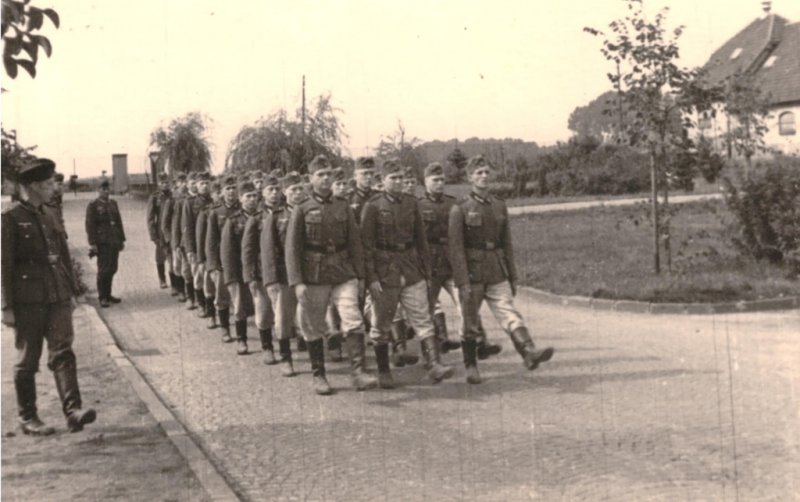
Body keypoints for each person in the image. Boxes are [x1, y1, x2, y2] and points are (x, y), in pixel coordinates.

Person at [2, 158, 96, 435]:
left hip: (57, 295)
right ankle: (28, 416)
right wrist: (5, 306)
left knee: (63, 352)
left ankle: (73, 412)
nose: (52, 188)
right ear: (30, 187)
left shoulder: (49, 214)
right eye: (46, 184)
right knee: (28, 359)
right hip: (27, 300)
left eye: (52, 183)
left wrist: (73, 292)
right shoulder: (11, 218)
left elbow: (63, 255)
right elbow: (3, 264)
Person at [449, 155, 554, 384]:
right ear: (470, 178)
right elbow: (456, 250)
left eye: (487, 172)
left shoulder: (498, 205)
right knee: (469, 321)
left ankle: (528, 351)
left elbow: (506, 243)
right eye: (479, 173)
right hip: (472, 274)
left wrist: (512, 275)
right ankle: (471, 367)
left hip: (496, 270)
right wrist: (462, 282)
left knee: (508, 312)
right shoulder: (460, 208)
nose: (484, 176)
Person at [286, 155, 377, 395]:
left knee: (352, 317)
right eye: (320, 175)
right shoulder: (302, 208)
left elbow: (355, 243)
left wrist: (359, 276)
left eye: (328, 174)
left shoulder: (342, 205)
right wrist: (297, 282)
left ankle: (358, 373)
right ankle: (319, 376)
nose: (326, 179)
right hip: (314, 275)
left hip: (342, 271)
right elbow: (292, 249)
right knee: (314, 326)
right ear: (310, 179)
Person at [361, 159, 454, 388]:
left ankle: (434, 364)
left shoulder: (412, 204)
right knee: (381, 324)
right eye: (393, 177)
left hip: (411, 269)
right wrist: (371, 278)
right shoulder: (372, 206)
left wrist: (427, 269)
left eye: (401, 177)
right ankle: (384, 371)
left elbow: (421, 240)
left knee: (422, 318)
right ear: (382, 181)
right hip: (385, 272)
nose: (399, 181)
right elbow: (366, 247)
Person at [257, 171, 306, 376]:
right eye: (293, 189)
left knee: (308, 318)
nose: (297, 193)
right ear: (286, 192)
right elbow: (268, 252)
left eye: (300, 188)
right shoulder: (276, 217)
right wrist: (271, 280)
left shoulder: (311, 211)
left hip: (310, 274)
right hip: (284, 276)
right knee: (284, 319)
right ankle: (286, 358)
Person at [417, 162, 462, 353]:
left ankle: (474, 340)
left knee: (464, 301)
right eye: (435, 180)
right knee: (427, 307)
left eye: (442, 180)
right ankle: (432, 347)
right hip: (430, 262)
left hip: (451, 260)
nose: (440, 183)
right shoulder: (418, 206)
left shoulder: (453, 203)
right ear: (426, 182)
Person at [242, 174, 282, 364]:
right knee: (264, 311)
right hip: (261, 272)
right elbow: (248, 249)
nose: (274, 193)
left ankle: (287, 347)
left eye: (277, 189)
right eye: (270, 190)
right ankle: (267, 347)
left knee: (284, 312)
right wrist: (250, 276)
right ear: (262, 194)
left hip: (284, 271)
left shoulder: (289, 214)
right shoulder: (256, 218)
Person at [221, 181, 263, 355]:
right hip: (238, 271)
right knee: (239, 307)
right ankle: (242, 340)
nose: (252, 200)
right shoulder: (233, 221)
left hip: (260, 269)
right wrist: (230, 277)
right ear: (240, 198)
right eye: (248, 196)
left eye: (254, 196)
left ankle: (266, 342)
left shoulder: (265, 217)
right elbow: (227, 251)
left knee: (262, 306)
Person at [205, 176, 239, 343]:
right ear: (222, 192)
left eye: (234, 188)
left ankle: (241, 333)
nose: (231, 191)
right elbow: (210, 241)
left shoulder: (244, 209)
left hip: (240, 260)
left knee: (240, 298)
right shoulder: (216, 212)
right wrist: (212, 265)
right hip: (222, 261)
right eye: (228, 189)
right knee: (222, 296)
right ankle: (225, 328)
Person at [85, 179, 126, 308]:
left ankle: (108, 294)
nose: (106, 191)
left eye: (107, 189)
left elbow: (119, 222)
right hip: (102, 242)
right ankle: (102, 297)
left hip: (114, 240)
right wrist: (92, 243)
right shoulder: (93, 205)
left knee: (113, 268)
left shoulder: (113, 203)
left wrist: (122, 239)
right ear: (98, 190)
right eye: (103, 189)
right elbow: (90, 225)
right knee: (103, 270)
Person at [183, 172, 214, 317]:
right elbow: (187, 227)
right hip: (197, 246)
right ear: (196, 185)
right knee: (198, 276)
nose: (205, 186)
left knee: (211, 279)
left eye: (207, 183)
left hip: (212, 246)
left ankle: (211, 306)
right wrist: (190, 249)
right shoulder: (190, 203)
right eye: (202, 183)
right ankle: (201, 304)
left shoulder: (214, 202)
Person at [163, 173, 188, 302]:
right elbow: (165, 223)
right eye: (181, 182)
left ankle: (187, 291)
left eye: (185, 181)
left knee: (186, 267)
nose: (184, 184)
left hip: (186, 237)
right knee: (177, 266)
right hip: (175, 237)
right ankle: (180, 290)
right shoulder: (171, 201)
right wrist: (169, 239)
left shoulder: (189, 198)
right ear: (176, 184)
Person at [146, 173, 173, 290]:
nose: (165, 185)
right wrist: (153, 235)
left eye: (167, 182)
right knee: (160, 256)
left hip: (172, 229)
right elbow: (150, 217)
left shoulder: (173, 195)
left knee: (173, 257)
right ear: (159, 184)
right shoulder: (155, 197)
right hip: (160, 232)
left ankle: (175, 282)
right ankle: (162, 279)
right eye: (162, 183)